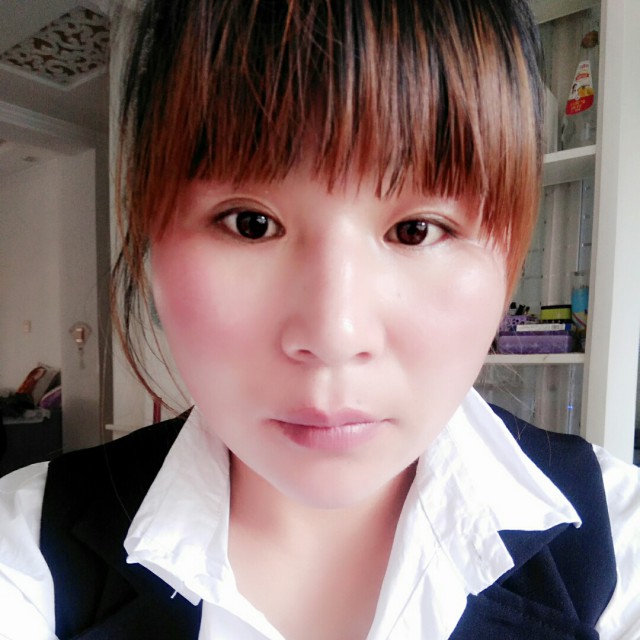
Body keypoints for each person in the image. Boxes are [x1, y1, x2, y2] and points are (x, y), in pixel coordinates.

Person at [1, 1, 638, 638]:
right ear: (149, 240)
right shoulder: (27, 551)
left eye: (416, 230)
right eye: (251, 224)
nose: (335, 335)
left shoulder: (617, 541)